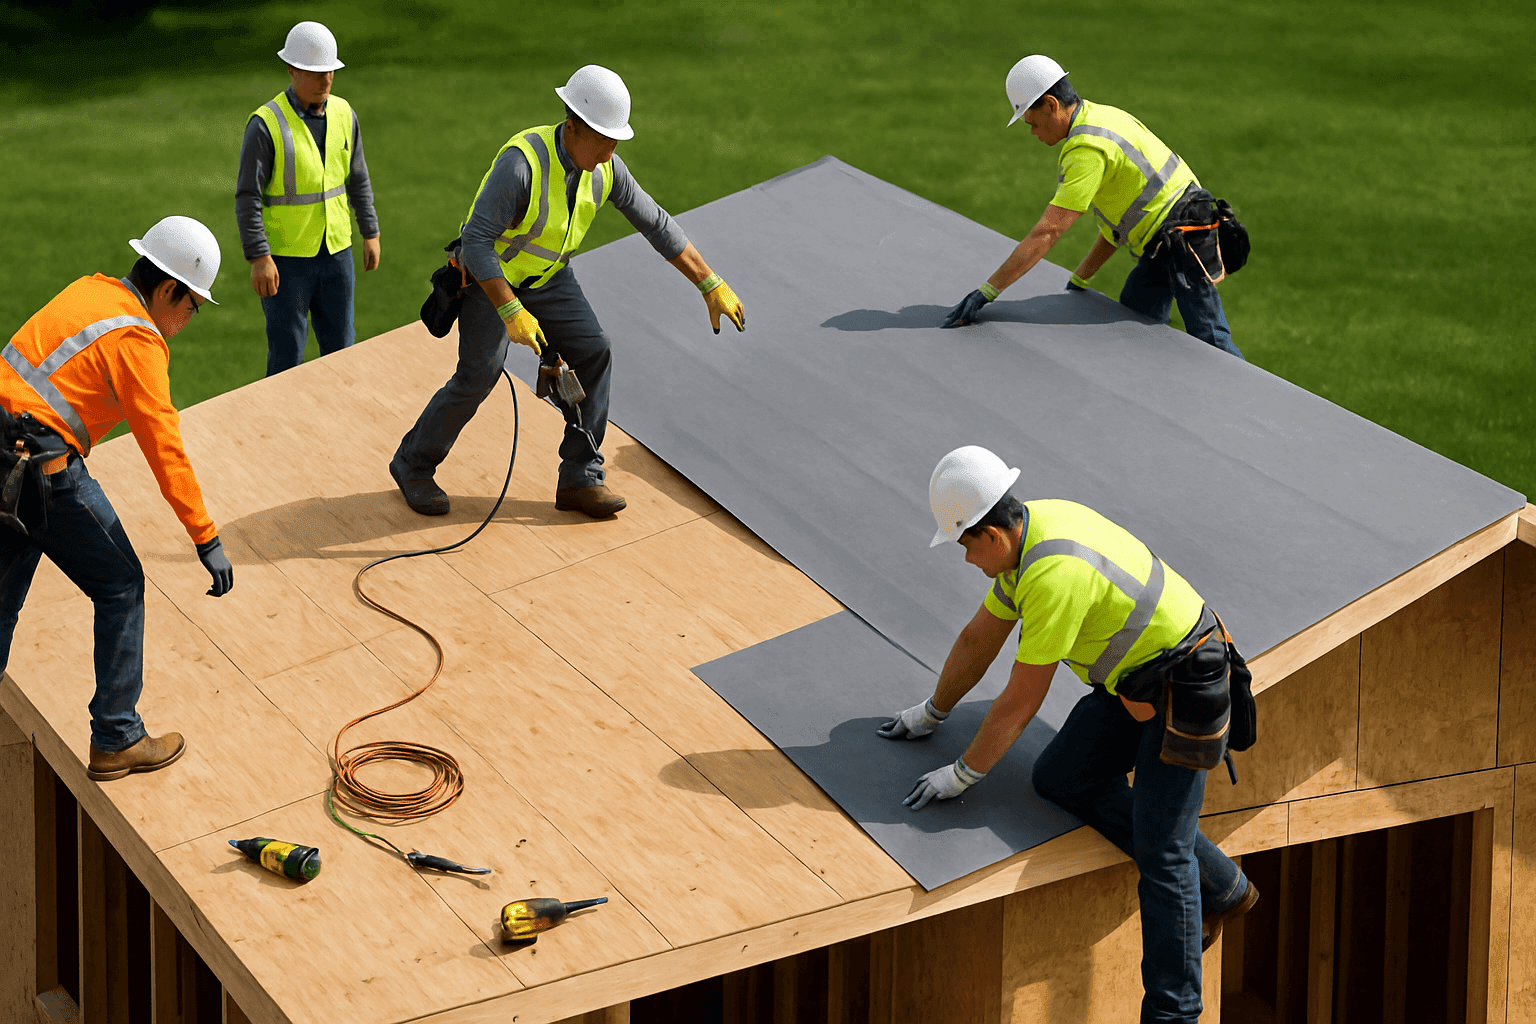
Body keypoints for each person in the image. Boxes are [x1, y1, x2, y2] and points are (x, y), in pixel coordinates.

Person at [880, 445, 1257, 1022]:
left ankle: (1174, 1014)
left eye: (964, 546)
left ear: (993, 536)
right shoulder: (1030, 537)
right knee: (1061, 776)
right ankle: (1226, 888)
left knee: (1165, 853)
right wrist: (932, 712)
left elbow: (1021, 698)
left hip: (1185, 689)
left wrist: (963, 774)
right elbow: (979, 640)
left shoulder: (1055, 571)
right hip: (1135, 683)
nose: (965, 560)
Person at [390, 64, 745, 520]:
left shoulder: (605, 169)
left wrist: (708, 282)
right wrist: (511, 310)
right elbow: (477, 243)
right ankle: (413, 464)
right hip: (489, 278)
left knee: (594, 350)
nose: (611, 149)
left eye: (617, 139)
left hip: (549, 278)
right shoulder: (521, 165)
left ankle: (581, 478)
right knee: (480, 374)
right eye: (603, 137)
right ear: (572, 125)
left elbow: (654, 222)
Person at [0, 216, 234, 782]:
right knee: (121, 584)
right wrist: (206, 536)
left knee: (4, 589)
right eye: (191, 305)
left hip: (2, 454)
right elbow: (163, 445)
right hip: (42, 472)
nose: (188, 318)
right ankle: (117, 737)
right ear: (167, 289)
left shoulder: (91, 290)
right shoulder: (137, 339)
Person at [941, 55, 1243, 358]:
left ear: (1050, 104)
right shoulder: (1102, 116)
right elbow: (1120, 225)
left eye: (1031, 123)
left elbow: (1048, 231)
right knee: (1136, 320)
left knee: (1211, 343)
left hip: (1182, 240)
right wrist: (1081, 277)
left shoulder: (1087, 149)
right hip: (1166, 240)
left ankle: (1249, 402)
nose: (1032, 133)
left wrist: (988, 291)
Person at [237, 21, 380, 377]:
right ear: (292, 70)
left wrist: (370, 232)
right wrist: (259, 256)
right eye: (316, 72)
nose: (326, 79)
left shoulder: (345, 114)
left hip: (336, 253)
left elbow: (357, 178)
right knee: (287, 355)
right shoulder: (266, 124)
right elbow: (247, 196)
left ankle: (339, 422)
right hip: (286, 262)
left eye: (330, 70)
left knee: (342, 347)